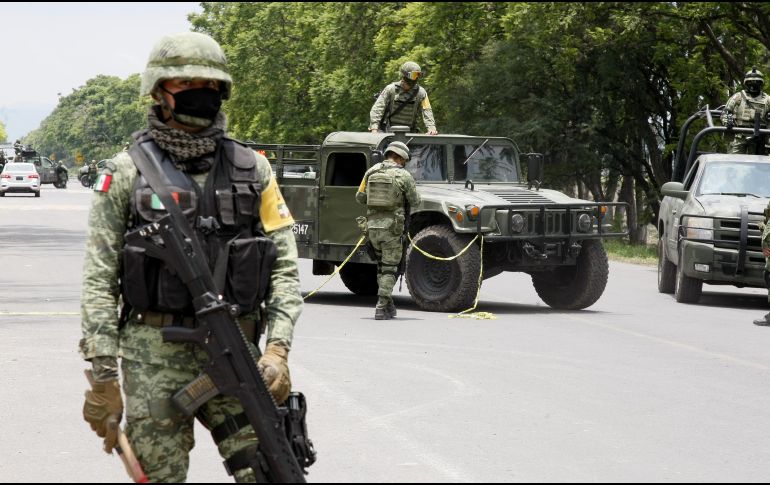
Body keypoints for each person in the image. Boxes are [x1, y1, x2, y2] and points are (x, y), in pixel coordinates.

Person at [79, 31, 303, 482]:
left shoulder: (253, 168)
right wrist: (103, 373)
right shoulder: (125, 173)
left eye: (210, 84)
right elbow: (99, 278)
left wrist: (277, 349)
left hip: (238, 351)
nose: (202, 93)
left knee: (273, 470)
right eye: (186, 84)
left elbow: (284, 267)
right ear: (159, 91)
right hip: (153, 356)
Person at [355, 141, 421, 319]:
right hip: (392, 229)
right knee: (390, 269)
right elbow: (416, 201)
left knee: (381, 268)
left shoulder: (371, 172)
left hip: (372, 228)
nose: (404, 163)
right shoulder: (403, 175)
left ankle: (388, 305)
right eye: (404, 160)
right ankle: (381, 306)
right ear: (399, 157)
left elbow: (360, 198)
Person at [369, 61, 438, 135]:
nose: (416, 77)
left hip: (410, 133)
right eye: (414, 75)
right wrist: (374, 128)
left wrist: (431, 128)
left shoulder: (421, 92)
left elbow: (427, 110)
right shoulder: (391, 89)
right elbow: (378, 108)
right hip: (389, 132)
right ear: (405, 75)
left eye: (418, 75)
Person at [721, 67, 770, 154]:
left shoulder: (767, 99)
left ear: (760, 83)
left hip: (758, 137)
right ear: (746, 83)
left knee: (755, 164)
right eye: (750, 81)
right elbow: (725, 112)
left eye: (756, 82)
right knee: (734, 163)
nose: (753, 84)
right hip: (738, 135)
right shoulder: (738, 97)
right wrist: (727, 122)